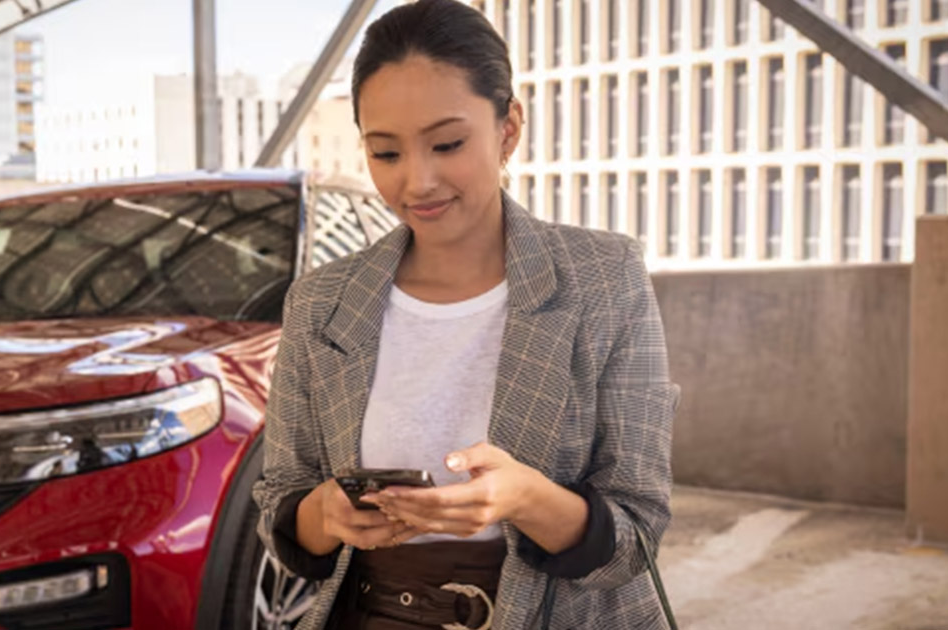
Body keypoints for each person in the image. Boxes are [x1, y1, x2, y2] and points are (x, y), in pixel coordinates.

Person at [253, 1, 680, 628]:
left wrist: (529, 499)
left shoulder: (603, 279)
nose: (418, 181)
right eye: (387, 153)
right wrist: (323, 515)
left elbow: (636, 536)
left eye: (447, 144)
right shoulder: (320, 303)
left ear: (509, 128)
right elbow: (280, 510)